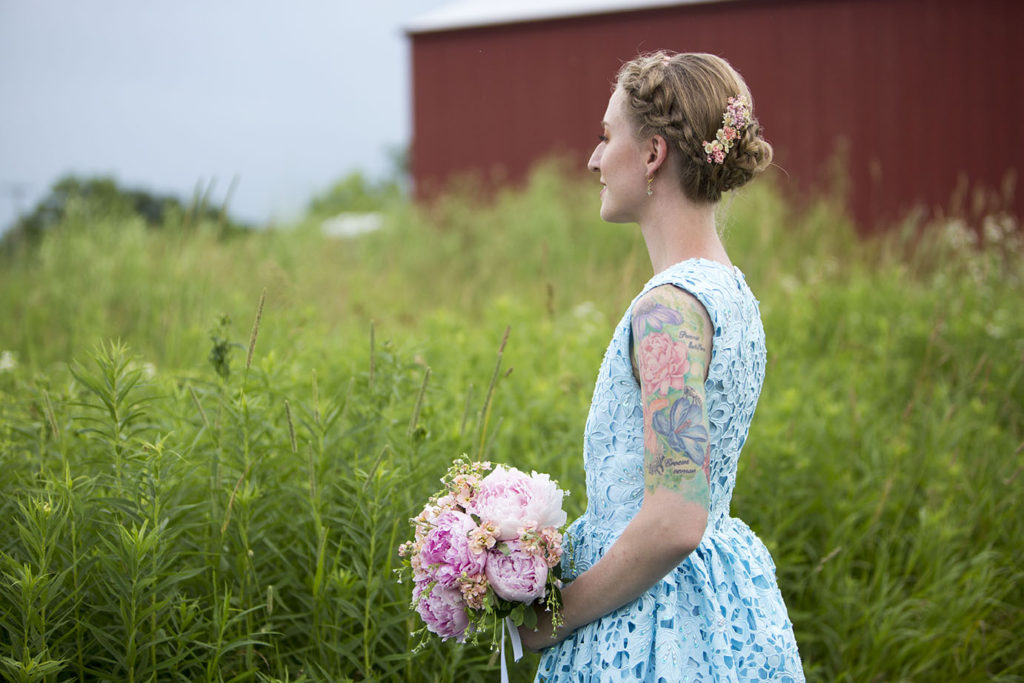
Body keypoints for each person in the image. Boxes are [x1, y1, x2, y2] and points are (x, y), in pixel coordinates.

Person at [519, 52, 805, 681]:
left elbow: (676, 517)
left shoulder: (670, 310)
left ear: (652, 155)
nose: (594, 160)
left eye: (605, 136)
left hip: (653, 618)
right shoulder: (732, 292)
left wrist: (555, 619)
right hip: (721, 599)